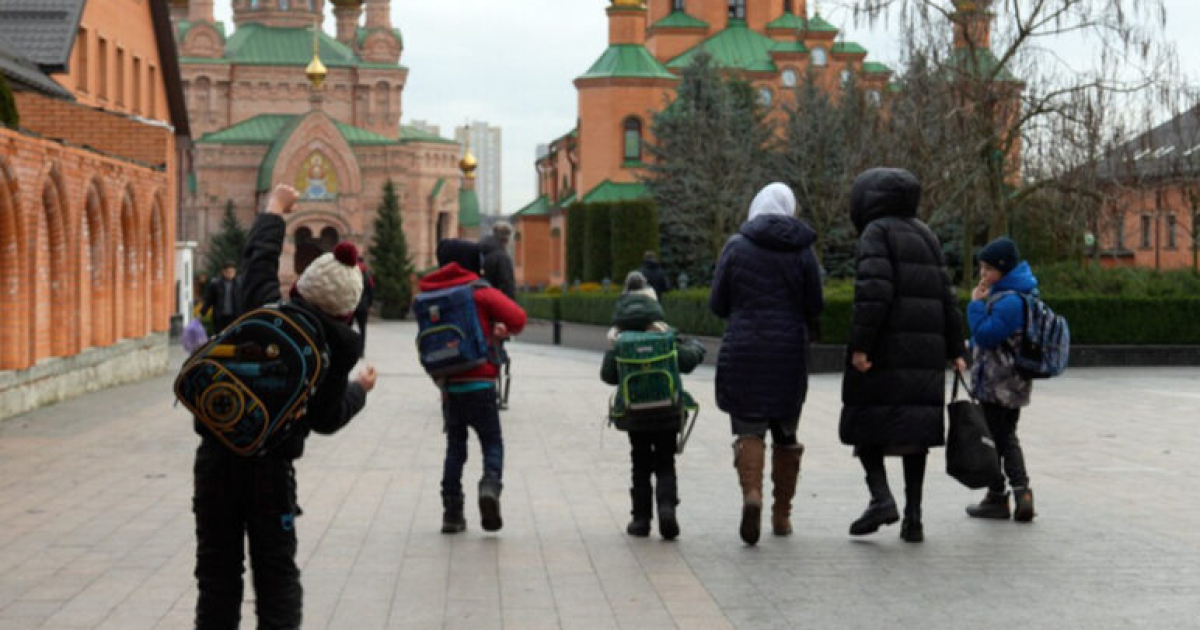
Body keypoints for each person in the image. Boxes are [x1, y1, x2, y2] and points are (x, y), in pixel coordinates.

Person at [192, 184, 378, 629]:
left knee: (217, 576)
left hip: (216, 458)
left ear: (298, 286)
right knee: (276, 578)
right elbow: (327, 419)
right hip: (271, 472)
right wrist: (360, 391)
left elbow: (259, 259)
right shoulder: (334, 350)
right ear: (346, 313)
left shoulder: (264, 310)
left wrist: (274, 209)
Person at [839, 168, 966, 544]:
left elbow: (873, 293)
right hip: (924, 353)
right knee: (915, 434)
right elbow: (948, 296)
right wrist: (956, 348)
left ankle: (881, 498)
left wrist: (860, 346)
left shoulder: (875, 233)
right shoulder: (925, 233)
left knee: (865, 422)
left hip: (886, 351)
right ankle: (914, 518)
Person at [710, 182, 824, 545]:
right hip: (788, 351)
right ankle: (782, 515)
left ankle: (752, 495)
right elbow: (815, 304)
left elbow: (717, 302)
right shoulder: (804, 251)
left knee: (749, 428)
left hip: (744, 348)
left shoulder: (736, 246)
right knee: (786, 432)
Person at [418, 239, 526, 534]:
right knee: (491, 441)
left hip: (448, 384)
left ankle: (452, 514)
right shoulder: (479, 291)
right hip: (480, 380)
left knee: (455, 447)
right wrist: (501, 329)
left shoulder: (430, 293)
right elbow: (518, 318)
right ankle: (489, 485)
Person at [601, 272, 705, 540]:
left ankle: (640, 520)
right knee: (665, 461)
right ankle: (667, 508)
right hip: (667, 411)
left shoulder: (619, 339)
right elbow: (687, 361)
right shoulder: (664, 334)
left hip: (635, 414)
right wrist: (697, 347)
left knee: (640, 463)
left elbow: (608, 375)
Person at [965, 237, 1037, 522]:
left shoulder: (1009, 300)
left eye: (988, 269)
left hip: (999, 383)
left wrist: (975, 305)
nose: (983, 274)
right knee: (1003, 436)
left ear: (1003, 268)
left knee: (999, 438)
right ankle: (1010, 495)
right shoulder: (1017, 293)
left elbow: (987, 334)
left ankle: (1008, 494)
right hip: (1011, 381)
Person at [480, 221, 516, 299]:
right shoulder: (501, 257)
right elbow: (507, 285)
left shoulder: (479, 250)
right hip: (496, 301)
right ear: (507, 239)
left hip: (480, 300)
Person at [201, 262, 241, 333]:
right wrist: (202, 313)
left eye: (232, 272)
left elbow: (243, 300)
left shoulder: (238, 285)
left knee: (234, 336)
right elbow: (209, 300)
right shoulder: (216, 285)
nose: (230, 274)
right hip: (220, 317)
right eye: (228, 272)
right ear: (223, 272)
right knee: (220, 337)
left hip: (234, 317)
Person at [354, 256, 375, 356]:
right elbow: (371, 290)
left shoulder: (352, 272)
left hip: (352, 305)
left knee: (348, 328)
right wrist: (370, 304)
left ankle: (350, 349)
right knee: (362, 329)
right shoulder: (368, 274)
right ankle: (362, 351)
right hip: (363, 306)